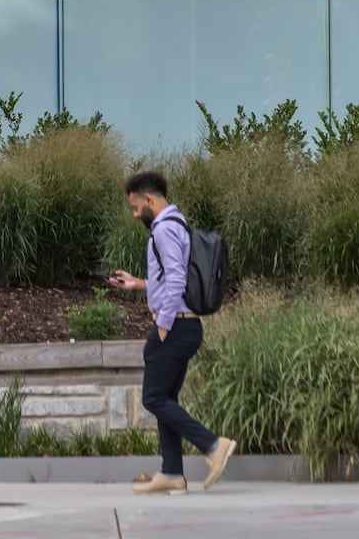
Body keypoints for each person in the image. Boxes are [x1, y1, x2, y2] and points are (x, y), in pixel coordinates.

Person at [108, 170, 235, 495]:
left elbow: (177, 279)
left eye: (136, 208)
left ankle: (213, 446)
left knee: (152, 396)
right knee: (165, 398)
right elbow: (172, 279)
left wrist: (163, 325)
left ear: (149, 199)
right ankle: (172, 473)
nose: (136, 214)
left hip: (175, 325)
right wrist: (139, 284)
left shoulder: (164, 230)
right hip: (186, 324)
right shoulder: (179, 224)